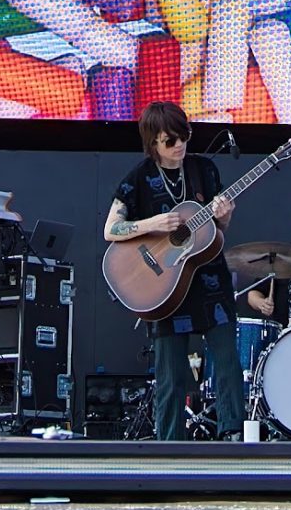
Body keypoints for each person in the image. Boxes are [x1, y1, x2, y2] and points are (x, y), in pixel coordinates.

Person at [104, 101, 242, 441]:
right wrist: (150, 223)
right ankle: (169, 446)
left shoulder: (203, 171)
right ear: (153, 143)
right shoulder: (138, 177)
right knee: (171, 374)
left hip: (209, 279)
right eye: (170, 141)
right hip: (165, 285)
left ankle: (232, 436)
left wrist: (224, 215)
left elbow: (217, 229)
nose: (180, 146)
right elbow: (110, 229)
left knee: (227, 363)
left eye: (184, 137)